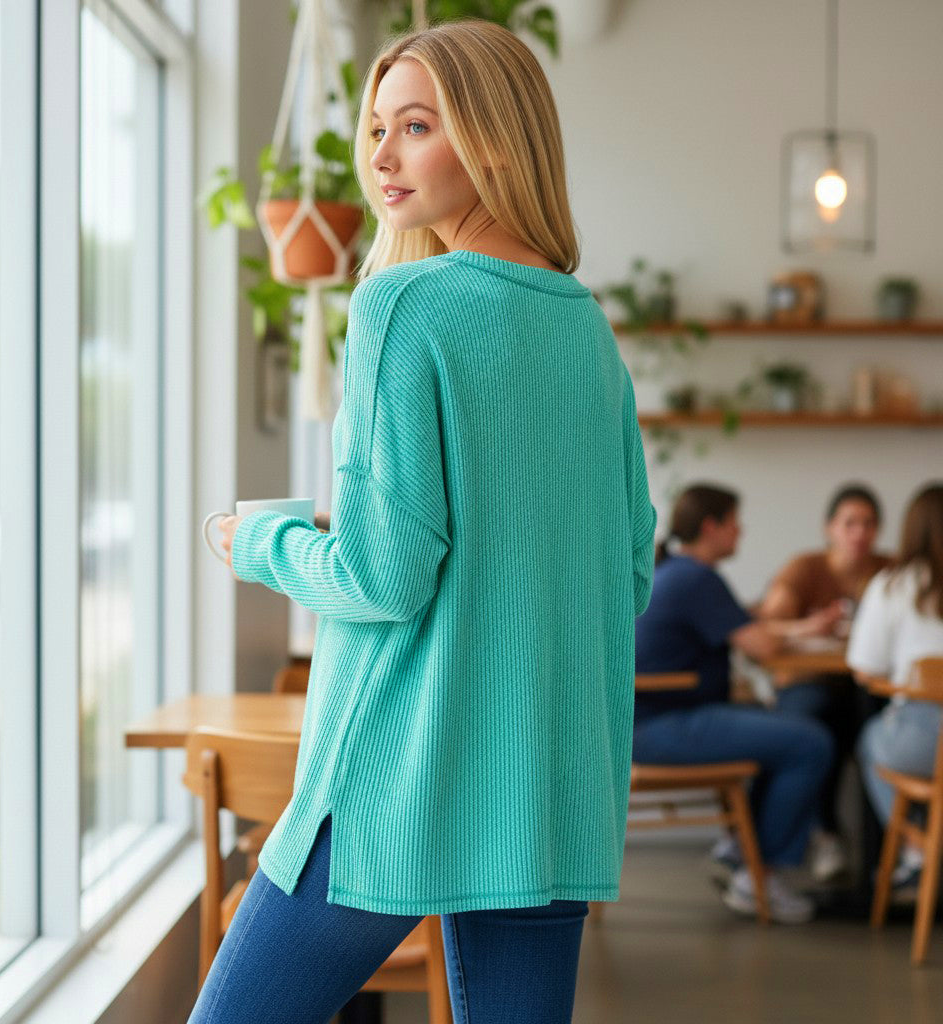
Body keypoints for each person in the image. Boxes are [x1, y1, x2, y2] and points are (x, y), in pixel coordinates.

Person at [188, 19, 657, 1024]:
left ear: (494, 139)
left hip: (394, 787)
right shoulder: (585, 325)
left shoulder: (404, 306)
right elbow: (625, 570)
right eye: (375, 129)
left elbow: (381, 575)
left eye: (416, 125)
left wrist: (259, 542)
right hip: (545, 791)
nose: (381, 156)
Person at [633, 483, 838, 924]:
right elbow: (761, 644)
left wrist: (805, 627)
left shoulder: (677, 572)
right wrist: (807, 630)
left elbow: (751, 628)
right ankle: (761, 873)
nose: (741, 532)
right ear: (712, 527)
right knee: (810, 742)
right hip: (661, 726)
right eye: (735, 523)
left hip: (650, 720)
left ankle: (744, 851)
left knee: (783, 730)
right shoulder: (696, 578)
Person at [756, 484, 893, 883]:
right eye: (850, 523)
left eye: (869, 524)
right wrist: (809, 626)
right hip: (806, 680)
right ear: (830, 527)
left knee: (874, 719)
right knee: (812, 722)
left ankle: (884, 854)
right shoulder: (805, 568)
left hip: (862, 685)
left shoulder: (889, 571)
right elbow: (765, 625)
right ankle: (826, 835)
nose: (859, 533)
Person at [849, 483, 943, 896]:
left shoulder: (892, 586)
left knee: (870, 742)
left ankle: (916, 850)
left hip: (922, 738)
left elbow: (864, 668)